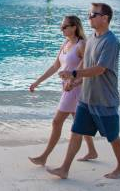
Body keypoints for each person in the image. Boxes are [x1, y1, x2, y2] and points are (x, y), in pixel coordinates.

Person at [48, 2, 120, 179]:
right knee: (76, 132)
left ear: (105, 18)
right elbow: (87, 64)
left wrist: (73, 73)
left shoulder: (111, 42)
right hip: (86, 98)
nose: (89, 17)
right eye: (89, 14)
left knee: (112, 137)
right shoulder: (91, 39)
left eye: (93, 14)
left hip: (104, 99)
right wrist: (74, 82)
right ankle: (64, 169)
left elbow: (99, 69)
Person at [28, 15, 97, 166]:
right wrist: (37, 82)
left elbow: (88, 68)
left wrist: (74, 81)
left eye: (65, 26)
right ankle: (92, 151)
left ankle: (44, 157)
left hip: (75, 89)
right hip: (66, 87)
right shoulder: (66, 43)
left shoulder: (82, 45)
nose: (62, 29)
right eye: (61, 26)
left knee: (56, 121)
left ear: (74, 27)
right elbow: (55, 66)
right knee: (78, 122)